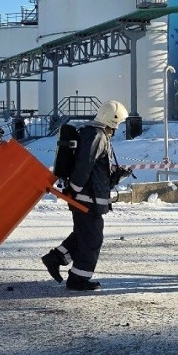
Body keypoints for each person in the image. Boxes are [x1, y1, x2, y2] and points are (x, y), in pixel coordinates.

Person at [41, 99, 131, 291]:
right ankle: (78, 280)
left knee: (85, 235)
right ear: (112, 120)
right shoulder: (97, 135)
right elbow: (84, 165)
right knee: (92, 239)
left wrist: (115, 175)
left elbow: (94, 169)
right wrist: (75, 187)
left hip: (87, 196)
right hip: (86, 198)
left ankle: (55, 258)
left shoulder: (94, 133)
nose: (119, 127)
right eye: (120, 122)